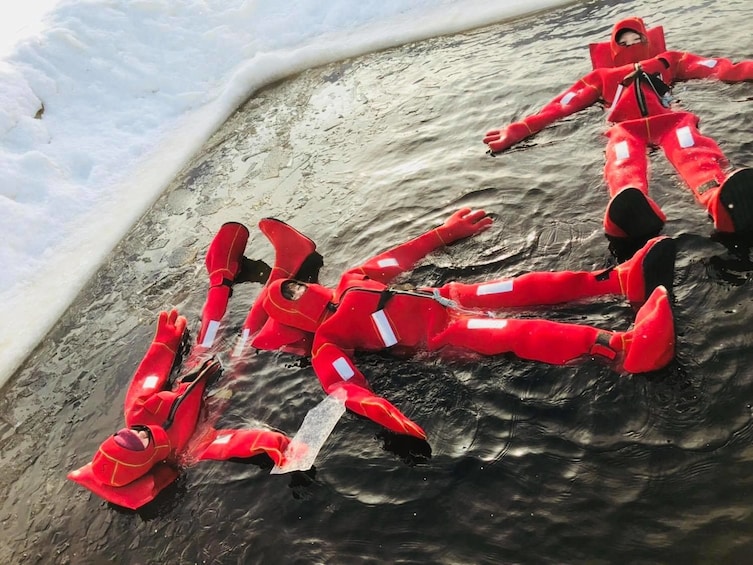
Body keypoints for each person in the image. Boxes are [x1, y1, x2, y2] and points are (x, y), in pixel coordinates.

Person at [238, 208, 676, 441]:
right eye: (290, 296)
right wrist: (393, 419)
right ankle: (624, 349)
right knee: (516, 333)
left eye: (293, 287)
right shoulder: (328, 343)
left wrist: (446, 232)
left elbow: (400, 256)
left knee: (520, 288)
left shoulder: (354, 277)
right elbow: (349, 389)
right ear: (293, 322)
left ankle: (621, 281)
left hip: (447, 298)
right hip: (442, 336)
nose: (299, 292)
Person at [483, 16, 753, 251]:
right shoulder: (601, 76)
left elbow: (717, 68)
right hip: (625, 129)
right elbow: (563, 104)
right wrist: (520, 129)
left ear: (647, 39)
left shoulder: (668, 61)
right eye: (622, 42)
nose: (630, 45)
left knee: (694, 152)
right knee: (623, 164)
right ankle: (626, 212)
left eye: (636, 39)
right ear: (613, 49)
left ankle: (718, 199)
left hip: (672, 121)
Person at [67, 309, 291, 510]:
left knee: (211, 327)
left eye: (125, 434)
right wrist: (274, 444)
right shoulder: (185, 452)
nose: (138, 432)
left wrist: (164, 343)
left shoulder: (136, 412)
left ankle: (221, 281)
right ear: (145, 461)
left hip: (194, 369)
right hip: (222, 388)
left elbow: (150, 376)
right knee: (246, 340)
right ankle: (273, 303)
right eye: (137, 443)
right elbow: (231, 443)